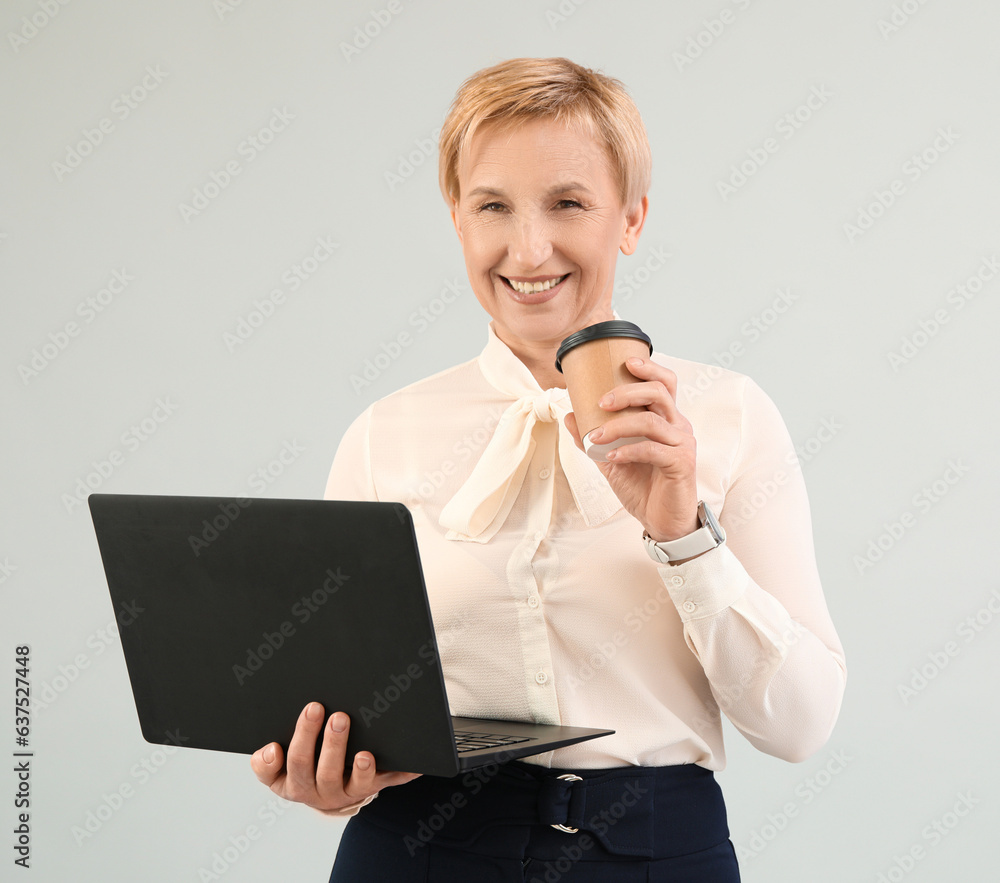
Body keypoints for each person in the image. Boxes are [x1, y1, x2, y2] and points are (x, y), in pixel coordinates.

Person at [250, 56, 847, 881]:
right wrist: (328, 777)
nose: (528, 248)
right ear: (457, 219)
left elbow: (801, 724)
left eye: (568, 202)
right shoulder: (385, 433)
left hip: (657, 853)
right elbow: (346, 711)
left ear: (631, 219)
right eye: (493, 205)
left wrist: (680, 532)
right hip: (420, 850)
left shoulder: (726, 416)